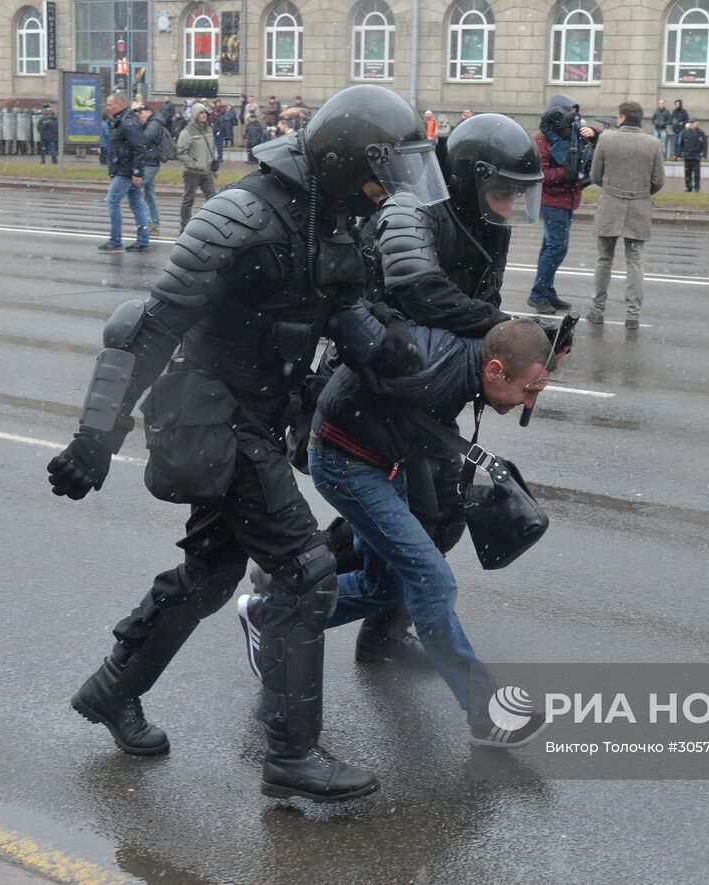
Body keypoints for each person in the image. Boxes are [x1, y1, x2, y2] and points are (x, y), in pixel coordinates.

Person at [51, 83, 443, 803]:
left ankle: (113, 688)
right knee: (306, 570)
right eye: (377, 172)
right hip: (211, 415)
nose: (384, 189)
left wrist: (390, 355)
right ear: (340, 161)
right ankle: (291, 755)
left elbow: (339, 304)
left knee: (210, 572)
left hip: (260, 418)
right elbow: (152, 325)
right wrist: (93, 439)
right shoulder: (241, 215)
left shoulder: (334, 213)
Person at [237, 319, 554, 750]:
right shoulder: (433, 369)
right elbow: (358, 350)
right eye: (530, 388)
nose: (530, 400)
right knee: (432, 580)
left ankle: (270, 614)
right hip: (347, 465)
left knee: (385, 586)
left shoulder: (467, 365)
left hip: (383, 463)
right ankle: (488, 714)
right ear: (495, 370)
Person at [332, 112, 551, 663]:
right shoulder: (412, 208)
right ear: (468, 176)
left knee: (443, 515)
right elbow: (421, 292)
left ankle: (379, 632)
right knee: (400, 521)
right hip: (381, 383)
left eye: (514, 196)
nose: (507, 206)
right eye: (501, 192)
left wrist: (519, 342)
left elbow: (478, 311)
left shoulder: (486, 224)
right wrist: (510, 330)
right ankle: (295, 581)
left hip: (433, 387)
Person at [587, 101, 665, 332]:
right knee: (635, 263)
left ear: (621, 118)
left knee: (604, 260)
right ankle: (632, 315)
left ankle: (598, 310)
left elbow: (595, 175)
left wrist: (612, 188)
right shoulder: (653, 143)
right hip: (639, 206)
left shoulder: (606, 139)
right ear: (640, 119)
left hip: (610, 204)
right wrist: (640, 193)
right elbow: (658, 180)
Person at [527, 94, 597, 315]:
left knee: (550, 247)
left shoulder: (568, 136)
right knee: (557, 247)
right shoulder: (543, 140)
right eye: (570, 113)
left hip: (565, 200)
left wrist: (593, 134)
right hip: (552, 201)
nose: (574, 118)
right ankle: (538, 294)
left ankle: (545, 291)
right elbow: (541, 174)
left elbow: (599, 141)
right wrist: (566, 173)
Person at [97, 92, 150, 253]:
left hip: (125, 171)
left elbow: (139, 148)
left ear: (120, 104)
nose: (108, 107)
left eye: (110, 104)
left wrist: (136, 172)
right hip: (126, 170)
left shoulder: (127, 123)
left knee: (112, 201)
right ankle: (142, 241)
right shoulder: (122, 121)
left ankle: (115, 241)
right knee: (137, 205)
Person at [176, 101, 217, 233]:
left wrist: (213, 163)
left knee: (213, 199)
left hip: (206, 171)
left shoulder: (209, 129)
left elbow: (212, 148)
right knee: (188, 200)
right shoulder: (187, 131)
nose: (204, 115)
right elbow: (181, 152)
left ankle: (213, 224)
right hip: (191, 172)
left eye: (205, 112)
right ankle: (184, 226)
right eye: (201, 113)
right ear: (195, 115)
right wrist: (193, 164)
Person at [135, 103, 165, 237]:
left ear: (148, 112)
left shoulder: (153, 124)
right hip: (151, 162)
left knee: (136, 191)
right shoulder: (155, 122)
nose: (139, 117)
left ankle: (148, 223)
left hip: (149, 163)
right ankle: (155, 225)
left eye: (141, 114)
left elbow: (144, 139)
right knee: (149, 195)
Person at [678, 119, 708, 192]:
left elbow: (704, 144)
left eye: (694, 123)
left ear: (696, 124)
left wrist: (703, 154)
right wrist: (680, 154)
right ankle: (688, 187)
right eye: (691, 123)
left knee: (697, 174)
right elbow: (681, 144)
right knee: (687, 174)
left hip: (696, 157)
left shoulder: (701, 133)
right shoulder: (685, 132)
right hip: (687, 156)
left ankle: (697, 188)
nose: (692, 125)